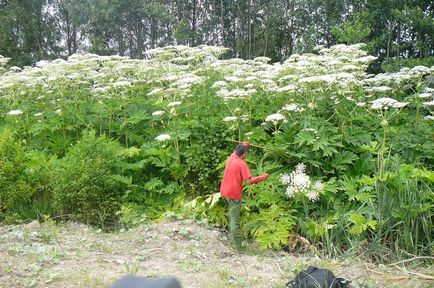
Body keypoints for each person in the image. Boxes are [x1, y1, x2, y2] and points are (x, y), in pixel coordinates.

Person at [220, 141, 269, 251]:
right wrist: (263, 177)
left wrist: (245, 144)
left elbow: (239, 148)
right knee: (234, 220)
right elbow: (249, 181)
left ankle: (231, 238)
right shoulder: (242, 164)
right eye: (247, 153)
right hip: (233, 195)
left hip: (224, 191)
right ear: (244, 154)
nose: (247, 155)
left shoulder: (231, 157)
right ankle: (239, 248)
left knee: (231, 214)